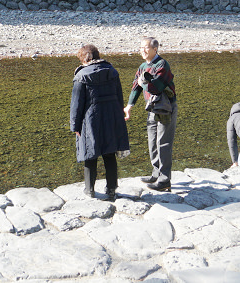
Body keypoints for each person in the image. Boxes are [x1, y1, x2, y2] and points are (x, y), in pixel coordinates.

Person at [70, 44, 130, 201]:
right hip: (111, 117)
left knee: (90, 153)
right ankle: (111, 190)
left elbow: (76, 105)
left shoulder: (81, 76)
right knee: (110, 154)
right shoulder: (112, 72)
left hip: (90, 120)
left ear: (84, 58)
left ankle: (89, 190)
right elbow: (119, 97)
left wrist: (75, 126)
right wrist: (119, 118)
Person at [124, 37, 177, 191]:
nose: (142, 50)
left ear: (155, 49)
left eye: (146, 47)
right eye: (141, 47)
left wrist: (144, 83)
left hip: (166, 107)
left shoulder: (162, 64)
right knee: (152, 142)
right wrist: (129, 106)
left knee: (164, 143)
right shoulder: (142, 67)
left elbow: (157, 87)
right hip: (153, 108)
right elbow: (136, 87)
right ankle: (156, 173)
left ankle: (165, 180)